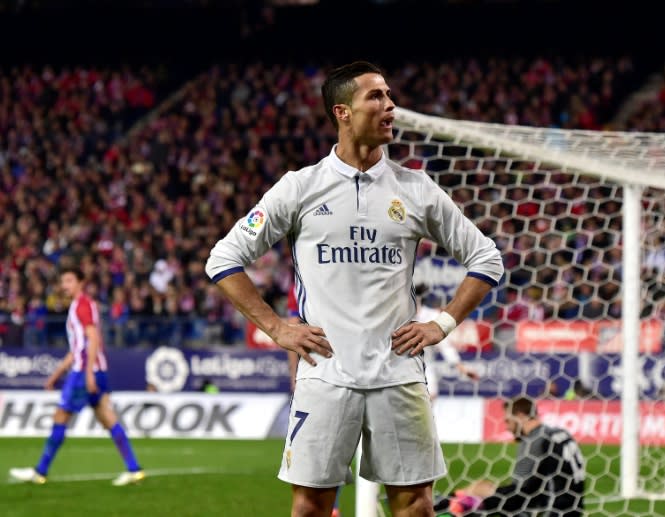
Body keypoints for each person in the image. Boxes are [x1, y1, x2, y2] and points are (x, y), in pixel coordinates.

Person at [205, 60, 503, 517]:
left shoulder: (416, 189)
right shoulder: (299, 188)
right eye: (376, 96)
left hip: (398, 374)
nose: (390, 106)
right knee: (309, 507)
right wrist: (277, 329)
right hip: (325, 375)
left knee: (416, 507)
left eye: (389, 95)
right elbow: (223, 259)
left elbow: (486, 258)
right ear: (342, 112)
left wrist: (442, 324)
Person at [8, 267, 144, 486]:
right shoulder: (80, 306)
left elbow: (92, 339)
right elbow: (77, 348)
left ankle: (40, 471)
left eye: (69, 280)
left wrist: (88, 373)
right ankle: (134, 469)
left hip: (84, 372)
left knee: (61, 416)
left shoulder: (81, 305)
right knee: (107, 419)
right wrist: (56, 375)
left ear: (81, 282)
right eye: (63, 281)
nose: (65, 285)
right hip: (92, 370)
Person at [434, 396, 585, 516]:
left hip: (550, 510)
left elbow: (519, 494)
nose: (507, 428)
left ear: (520, 416)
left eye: (508, 421)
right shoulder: (560, 433)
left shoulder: (534, 440)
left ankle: (442, 503)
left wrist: (479, 499)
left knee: (473, 497)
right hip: (573, 507)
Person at [414, 283, 480, 402]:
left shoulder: (432, 316)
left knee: (428, 402)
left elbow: (445, 345)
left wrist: (462, 368)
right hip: (396, 370)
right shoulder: (397, 316)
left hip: (425, 368)